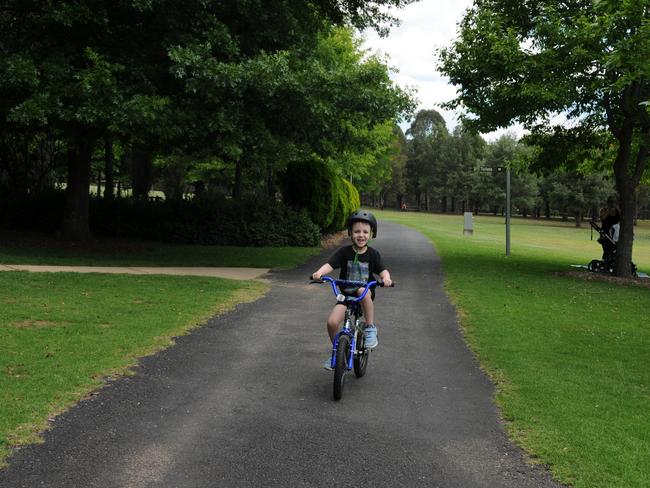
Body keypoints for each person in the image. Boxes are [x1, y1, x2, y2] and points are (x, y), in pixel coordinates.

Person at [311, 210, 392, 370]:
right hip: (346, 295)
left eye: (365, 232)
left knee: (362, 289)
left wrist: (386, 279)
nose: (361, 235)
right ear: (350, 233)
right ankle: (338, 352)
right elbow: (330, 264)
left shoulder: (373, 254)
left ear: (371, 234)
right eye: (356, 231)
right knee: (332, 322)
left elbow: (383, 270)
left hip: (365, 294)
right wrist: (319, 273)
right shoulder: (344, 252)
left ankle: (369, 327)